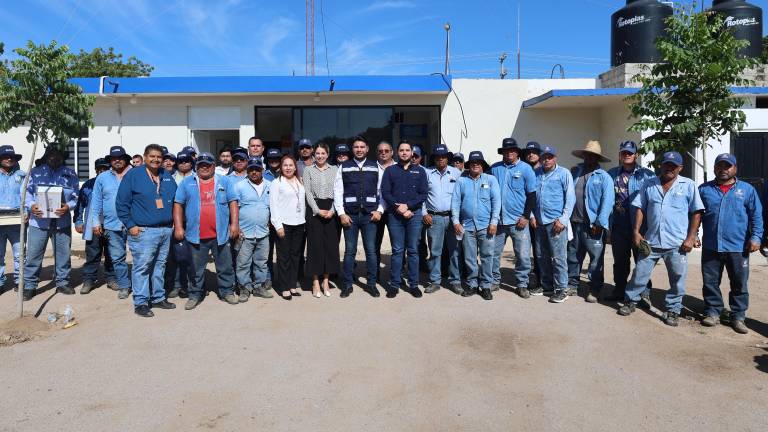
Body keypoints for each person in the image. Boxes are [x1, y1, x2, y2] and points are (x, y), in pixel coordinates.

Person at [619, 151, 704, 327]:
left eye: (673, 166)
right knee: (639, 274)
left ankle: (673, 310)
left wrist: (691, 237)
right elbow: (640, 208)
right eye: (666, 165)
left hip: (677, 243)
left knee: (677, 279)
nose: (669, 169)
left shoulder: (688, 185)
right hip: (651, 241)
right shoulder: (649, 184)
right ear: (661, 165)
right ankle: (630, 301)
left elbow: (696, 212)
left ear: (680, 168)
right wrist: (636, 231)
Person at [698, 153, 763, 334]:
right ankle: (712, 312)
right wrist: (693, 234)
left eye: (727, 166)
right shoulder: (704, 189)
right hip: (711, 245)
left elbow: (756, 216)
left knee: (739, 283)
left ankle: (738, 316)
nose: (723, 169)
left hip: (738, 246)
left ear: (735, 168)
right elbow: (695, 215)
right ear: (714, 168)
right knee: (710, 282)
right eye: (720, 166)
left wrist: (756, 238)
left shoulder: (747, 190)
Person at [116, 144, 178, 317]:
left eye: (159, 157)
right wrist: (130, 225)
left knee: (159, 266)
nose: (156, 160)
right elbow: (121, 203)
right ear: (145, 157)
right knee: (142, 267)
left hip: (165, 230)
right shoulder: (133, 175)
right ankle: (141, 302)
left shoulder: (166, 175)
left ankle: (158, 297)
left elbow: (176, 199)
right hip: (143, 231)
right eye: (152, 156)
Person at [174, 152, 239, 309]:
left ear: (213, 166)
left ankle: (227, 291)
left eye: (207, 165)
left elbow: (233, 202)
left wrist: (234, 224)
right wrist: (178, 226)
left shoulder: (225, 181)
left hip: (220, 234)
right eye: (201, 165)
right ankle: (195, 294)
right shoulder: (187, 183)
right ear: (196, 166)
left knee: (225, 266)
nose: (204, 167)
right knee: (195, 269)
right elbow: (178, 204)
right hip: (195, 235)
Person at [23, 146, 79, 300]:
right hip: (39, 222)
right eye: (51, 154)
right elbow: (26, 193)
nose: (54, 157)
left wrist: (68, 206)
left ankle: (62, 283)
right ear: (46, 156)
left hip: (62, 222)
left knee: (63, 254)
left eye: (58, 154)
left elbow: (76, 196)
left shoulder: (70, 173)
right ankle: (29, 285)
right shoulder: (35, 172)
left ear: (62, 156)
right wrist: (31, 205)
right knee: (33, 255)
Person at [334, 135, 384, 298]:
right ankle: (347, 284)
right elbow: (338, 191)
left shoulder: (375, 166)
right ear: (352, 149)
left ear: (367, 149)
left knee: (371, 251)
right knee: (350, 251)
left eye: (362, 147)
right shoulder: (344, 166)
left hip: (370, 216)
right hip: (350, 216)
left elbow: (382, 191)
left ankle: (371, 284)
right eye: (356, 147)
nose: (359, 149)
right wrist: (341, 213)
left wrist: (380, 210)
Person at [606, 141, 655, 302]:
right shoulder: (611, 174)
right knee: (620, 261)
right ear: (619, 154)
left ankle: (644, 293)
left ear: (636, 155)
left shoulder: (647, 175)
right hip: (618, 225)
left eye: (630, 153)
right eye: (624, 153)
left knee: (642, 262)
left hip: (640, 226)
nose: (627, 155)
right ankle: (619, 290)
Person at [567, 140, 615, 303]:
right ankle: (572, 284)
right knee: (573, 255)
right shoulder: (576, 172)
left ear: (598, 158)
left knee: (595, 259)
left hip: (592, 225)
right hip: (574, 222)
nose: (589, 158)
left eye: (593, 156)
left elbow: (607, 202)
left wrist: (600, 223)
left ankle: (594, 288)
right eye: (587, 155)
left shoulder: (604, 178)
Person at [489, 138, 537, 297]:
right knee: (493, 254)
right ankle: (495, 281)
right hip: (499, 221)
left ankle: (522, 284)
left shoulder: (526, 169)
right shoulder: (494, 169)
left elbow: (531, 195)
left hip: (519, 222)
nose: (509, 153)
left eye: (512, 150)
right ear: (502, 152)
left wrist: (526, 216)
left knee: (522, 255)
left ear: (517, 152)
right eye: (506, 150)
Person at [381, 141, 428, 298]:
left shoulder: (420, 172)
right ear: (396, 152)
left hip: (414, 216)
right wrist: (398, 207)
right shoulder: (390, 171)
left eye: (407, 150)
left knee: (413, 250)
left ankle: (414, 285)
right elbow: (386, 193)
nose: (404, 153)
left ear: (412, 153)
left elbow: (423, 194)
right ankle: (394, 284)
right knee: (397, 250)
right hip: (395, 216)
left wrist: (408, 206)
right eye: (401, 150)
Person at [451, 151, 500, 300]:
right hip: (467, 226)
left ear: (482, 165)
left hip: (486, 226)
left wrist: (494, 222)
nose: (475, 164)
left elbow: (496, 202)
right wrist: (456, 221)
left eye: (478, 162)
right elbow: (455, 202)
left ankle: (486, 286)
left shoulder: (491, 180)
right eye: (473, 162)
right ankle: (472, 284)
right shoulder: (461, 181)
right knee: (470, 258)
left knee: (487, 256)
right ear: (469, 165)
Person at [531, 145, 575, 303]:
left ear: (555, 158)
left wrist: (563, 220)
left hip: (555, 222)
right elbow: (529, 196)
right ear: (540, 158)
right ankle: (547, 285)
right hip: (539, 222)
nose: (547, 159)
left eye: (550, 157)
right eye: (544, 157)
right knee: (542, 256)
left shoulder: (564, 173)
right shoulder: (535, 174)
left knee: (558, 258)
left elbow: (570, 198)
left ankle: (561, 289)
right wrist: (531, 216)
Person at [89, 146, 134, 299]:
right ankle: (124, 285)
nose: (117, 160)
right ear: (110, 160)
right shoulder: (102, 178)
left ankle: (141, 285)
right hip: (112, 224)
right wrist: (95, 222)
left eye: (120, 157)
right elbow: (96, 202)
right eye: (114, 158)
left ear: (126, 159)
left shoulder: (136, 174)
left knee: (140, 257)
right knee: (118, 258)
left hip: (135, 223)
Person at [423, 144, 462, 294]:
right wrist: (424, 213)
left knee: (455, 251)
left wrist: (459, 218)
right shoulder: (427, 173)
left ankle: (455, 280)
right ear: (434, 158)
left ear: (447, 158)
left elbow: (461, 195)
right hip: (434, 217)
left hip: (453, 218)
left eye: (443, 156)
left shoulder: (456, 173)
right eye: (438, 157)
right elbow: (422, 195)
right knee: (435, 251)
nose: (440, 159)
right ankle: (435, 281)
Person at [233, 157, 273, 302]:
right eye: (251, 170)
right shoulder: (239, 186)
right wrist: (235, 227)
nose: (254, 172)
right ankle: (244, 287)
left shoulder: (270, 185)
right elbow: (234, 209)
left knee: (261, 262)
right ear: (247, 170)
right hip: (245, 233)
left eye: (257, 169)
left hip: (263, 232)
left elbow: (274, 206)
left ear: (262, 170)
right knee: (243, 263)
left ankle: (259, 286)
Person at [303, 143, 339, 297]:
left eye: (323, 153)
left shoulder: (335, 170)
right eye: (317, 153)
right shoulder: (308, 170)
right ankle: (315, 281)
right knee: (315, 246)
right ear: (313, 154)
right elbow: (307, 192)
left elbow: (338, 191)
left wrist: (332, 210)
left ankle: (326, 280)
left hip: (331, 208)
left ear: (328, 154)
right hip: (314, 209)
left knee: (330, 247)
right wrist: (317, 211)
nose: (320, 156)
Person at [74, 157, 115, 294]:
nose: (102, 171)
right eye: (100, 169)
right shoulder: (88, 185)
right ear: (96, 170)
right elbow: (80, 204)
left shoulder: (115, 182)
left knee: (111, 253)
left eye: (105, 168)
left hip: (110, 224)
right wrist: (78, 221)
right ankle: (89, 280)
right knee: (92, 253)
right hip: (93, 225)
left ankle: (111, 278)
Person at [270, 155, 306, 300]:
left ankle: (292, 285)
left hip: (299, 224)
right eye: (285, 165)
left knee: (296, 256)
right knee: (283, 256)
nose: (288, 168)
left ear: (295, 167)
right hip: (284, 224)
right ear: (281, 167)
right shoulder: (276, 183)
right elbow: (273, 206)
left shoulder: (299, 181)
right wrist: (278, 225)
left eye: (291, 165)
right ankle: (284, 287)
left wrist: (303, 221)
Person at [0, 145, 25, 290]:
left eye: (12, 157)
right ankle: (0, 283)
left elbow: (27, 197)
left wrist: (27, 212)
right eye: (5, 156)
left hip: (17, 221)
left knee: (20, 254)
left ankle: (19, 281)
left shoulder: (22, 175)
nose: (9, 159)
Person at [522, 141, 543, 293]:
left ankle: (541, 280)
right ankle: (525, 279)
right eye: (528, 152)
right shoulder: (523, 169)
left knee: (539, 251)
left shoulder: (544, 170)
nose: (531, 154)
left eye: (534, 152)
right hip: (525, 216)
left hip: (541, 217)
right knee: (524, 250)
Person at [374, 141, 395, 278]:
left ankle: (396, 274)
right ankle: (375, 273)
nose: (383, 153)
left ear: (392, 152)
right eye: (381, 151)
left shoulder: (398, 167)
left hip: (394, 211)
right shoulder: (371, 167)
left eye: (386, 151)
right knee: (375, 244)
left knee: (397, 245)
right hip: (377, 211)